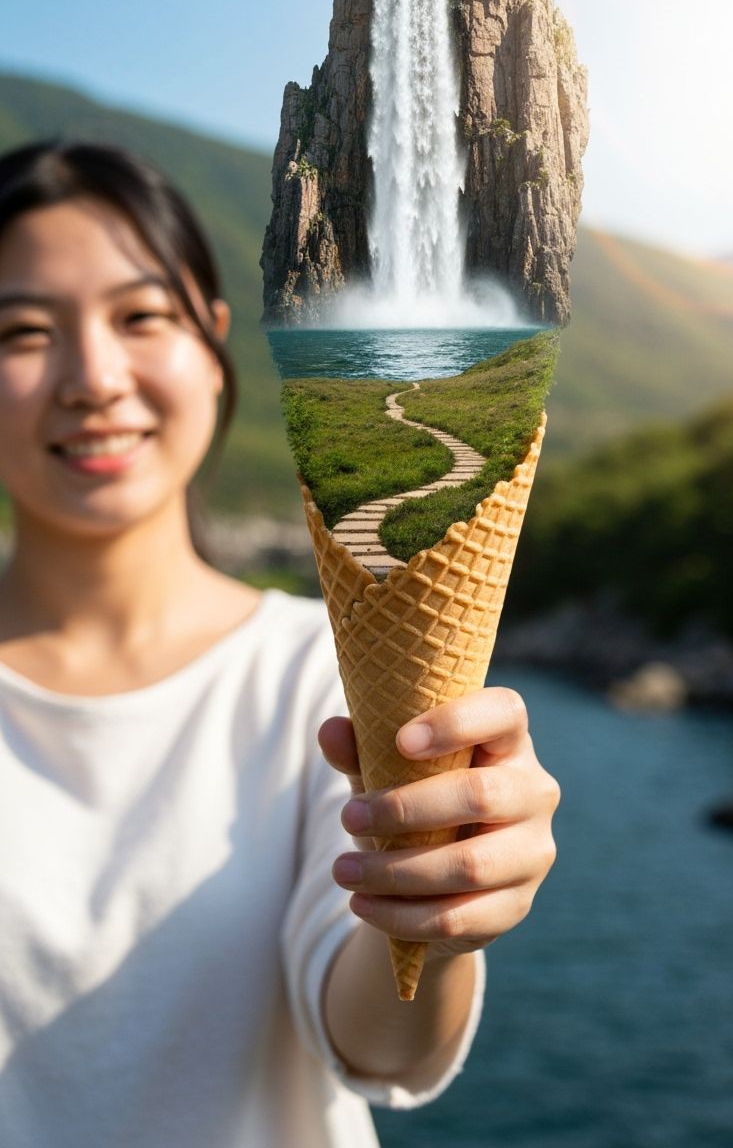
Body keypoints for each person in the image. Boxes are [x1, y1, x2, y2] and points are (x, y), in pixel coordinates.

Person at [0, 139, 560, 1148]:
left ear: (214, 345)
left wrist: (434, 915)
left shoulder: (312, 671)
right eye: (22, 332)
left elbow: (373, 1043)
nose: (92, 376)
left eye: (141, 316)